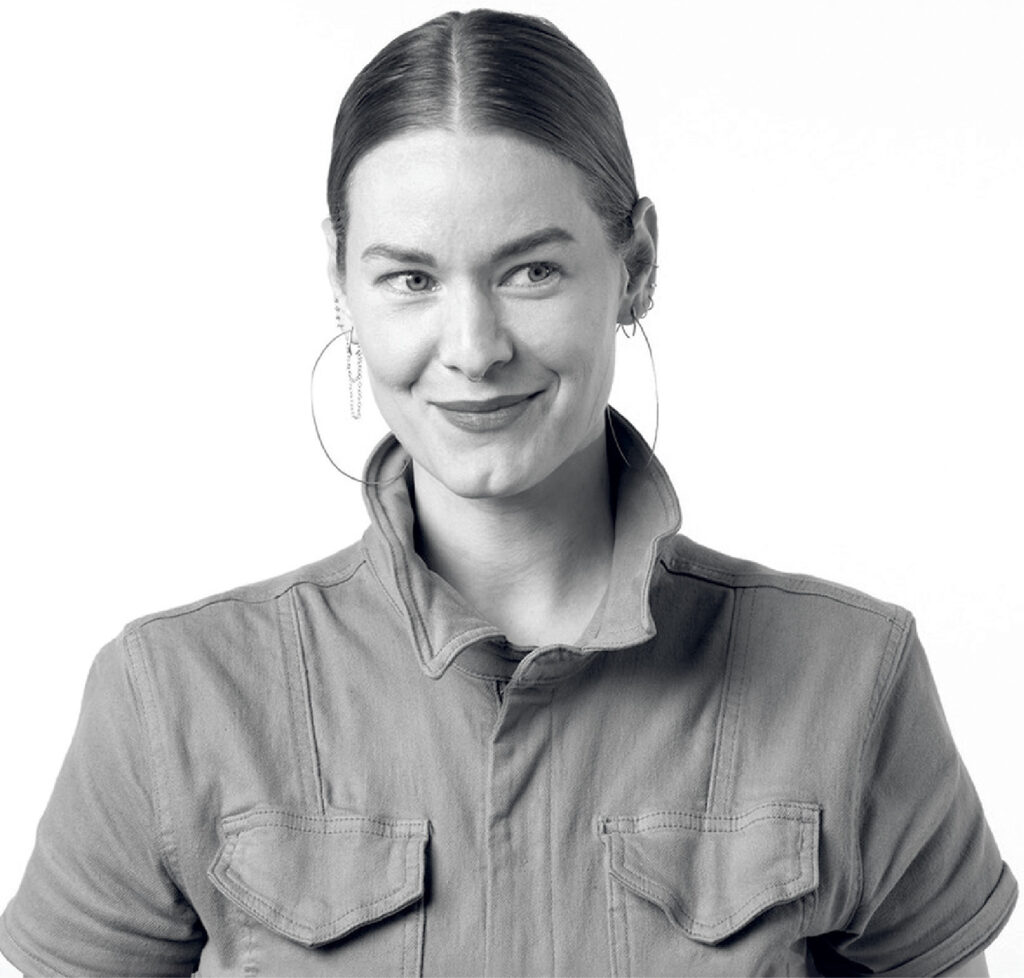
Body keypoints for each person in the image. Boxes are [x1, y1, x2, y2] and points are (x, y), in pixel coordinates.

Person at [0, 8, 1016, 977]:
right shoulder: (171, 696)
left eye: (530, 271)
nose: (474, 349)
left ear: (636, 267)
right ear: (340, 282)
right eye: (410, 279)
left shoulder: (851, 678)